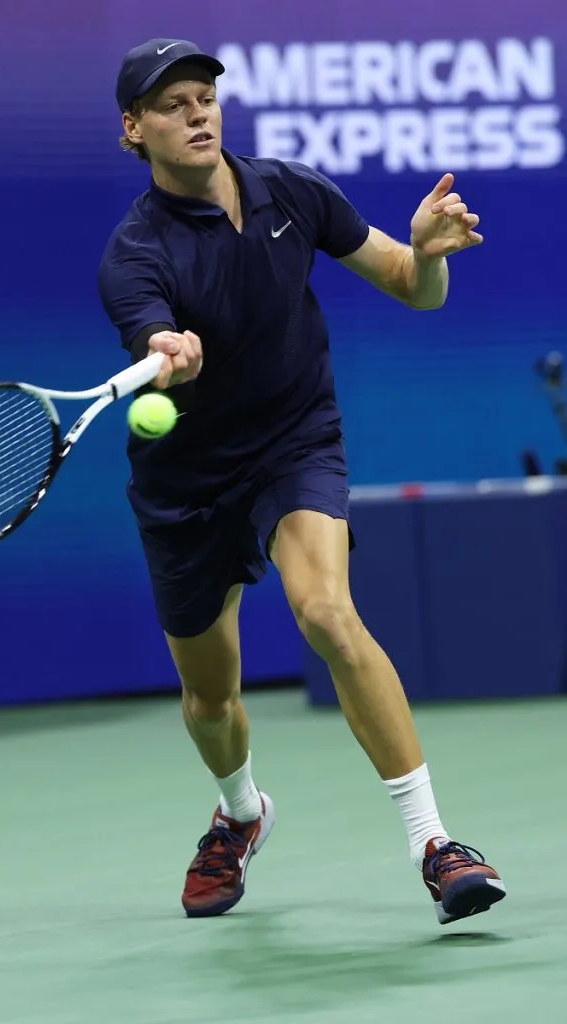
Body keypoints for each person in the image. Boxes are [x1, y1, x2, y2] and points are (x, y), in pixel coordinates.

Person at [98, 38, 506, 923]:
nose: (198, 112)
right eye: (172, 104)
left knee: (325, 610)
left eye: (204, 95)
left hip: (293, 440)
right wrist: (169, 350)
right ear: (134, 130)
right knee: (210, 698)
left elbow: (410, 284)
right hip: (187, 480)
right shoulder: (133, 253)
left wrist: (427, 253)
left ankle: (436, 844)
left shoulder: (292, 190)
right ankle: (240, 814)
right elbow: (151, 328)